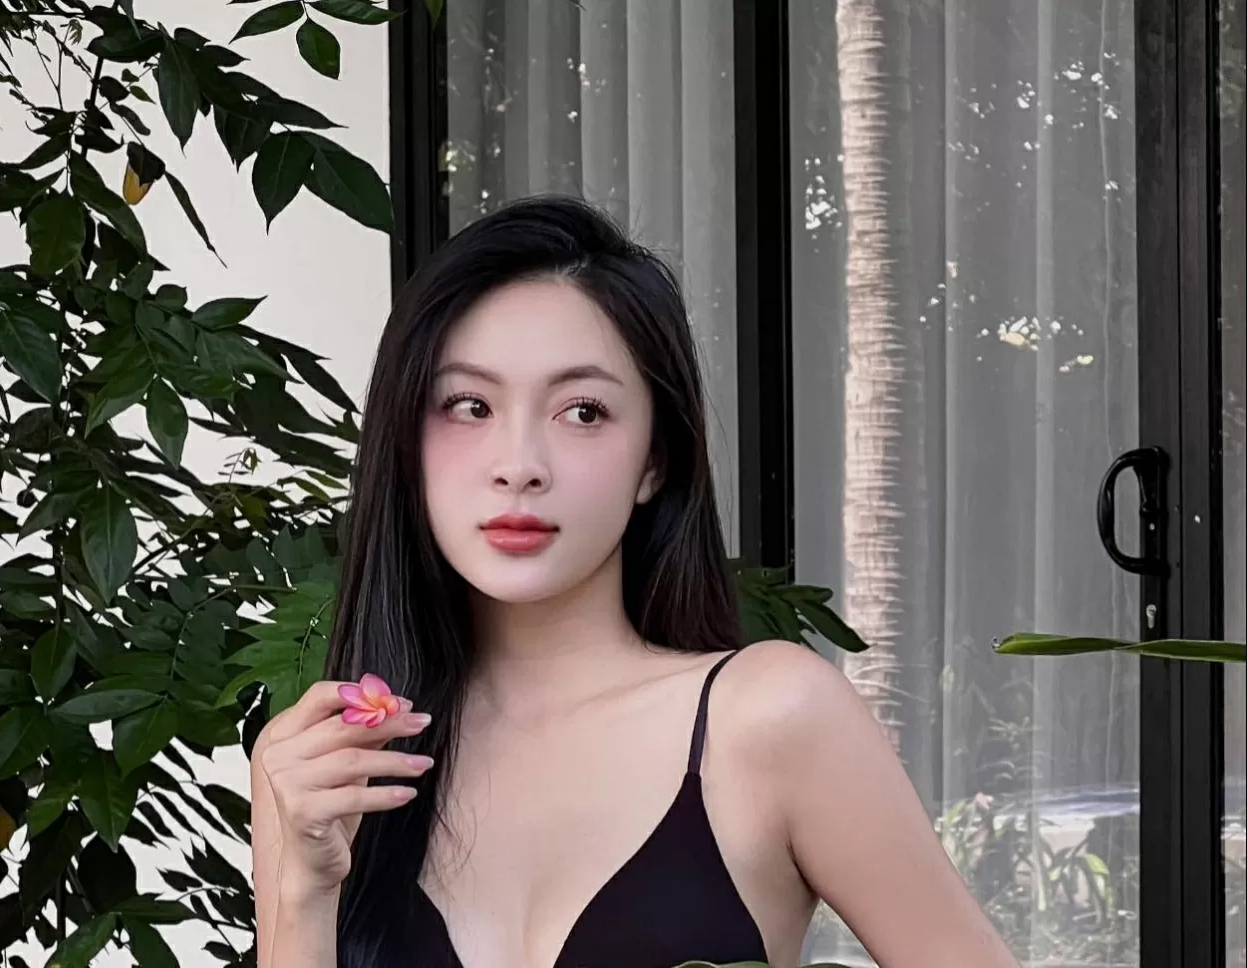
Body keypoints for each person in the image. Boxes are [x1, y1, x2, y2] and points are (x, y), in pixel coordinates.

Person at [250, 196, 1019, 968]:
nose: (519, 465)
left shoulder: (771, 718)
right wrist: (304, 893)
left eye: (583, 412)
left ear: (656, 460)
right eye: (469, 405)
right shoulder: (322, 765)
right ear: (406, 441)